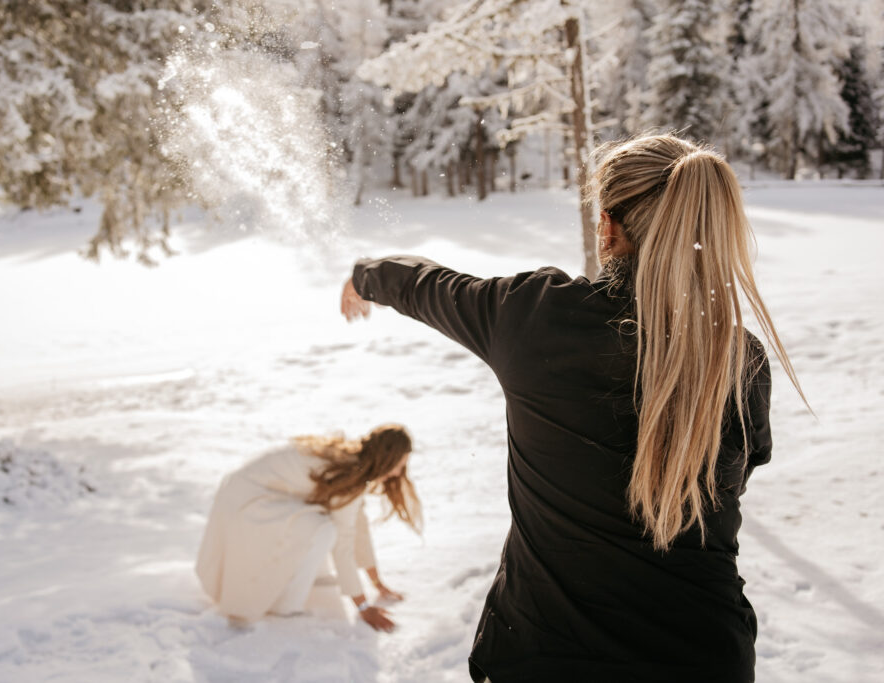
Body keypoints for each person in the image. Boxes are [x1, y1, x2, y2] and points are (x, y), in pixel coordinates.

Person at [340, 134, 806, 682]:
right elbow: (739, 472)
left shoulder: (536, 317)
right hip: (705, 656)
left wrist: (364, 276)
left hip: (543, 657)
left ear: (607, 228)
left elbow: (428, 284)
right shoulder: (737, 356)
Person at [195, 423, 421, 632]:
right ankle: (285, 605)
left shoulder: (351, 462)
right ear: (386, 460)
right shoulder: (349, 473)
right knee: (322, 529)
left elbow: (358, 528)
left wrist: (377, 583)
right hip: (248, 499)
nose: (398, 474)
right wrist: (363, 607)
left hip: (243, 492)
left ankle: (291, 586)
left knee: (317, 524)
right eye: (399, 465)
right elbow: (343, 543)